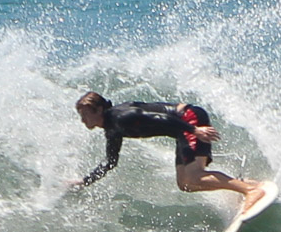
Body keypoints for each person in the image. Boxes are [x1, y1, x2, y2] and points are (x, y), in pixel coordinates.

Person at [69, 91, 269, 215]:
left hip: (188, 119)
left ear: (99, 110)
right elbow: (111, 162)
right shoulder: (112, 129)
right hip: (181, 129)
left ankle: (250, 191)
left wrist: (195, 130)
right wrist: (85, 181)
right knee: (185, 184)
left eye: (85, 114)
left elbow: (161, 117)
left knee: (195, 175)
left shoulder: (121, 117)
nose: (83, 120)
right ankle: (246, 185)